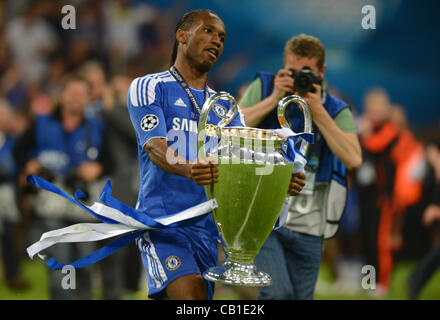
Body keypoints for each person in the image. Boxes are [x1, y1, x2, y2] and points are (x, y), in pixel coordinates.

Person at [126, 9, 306, 300]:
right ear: (182, 36)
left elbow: (246, 161)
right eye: (208, 31)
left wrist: (280, 179)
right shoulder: (149, 86)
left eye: (222, 37)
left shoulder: (224, 107)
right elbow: (154, 145)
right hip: (164, 225)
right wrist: (187, 168)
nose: (217, 41)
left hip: (209, 231)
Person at [239, 34, 362, 300]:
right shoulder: (264, 86)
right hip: (265, 217)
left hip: (311, 225)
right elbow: (231, 129)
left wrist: (318, 110)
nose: (297, 80)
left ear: (321, 71)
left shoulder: (335, 108)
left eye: (305, 73)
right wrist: (274, 99)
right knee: (276, 294)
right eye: (292, 72)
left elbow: (353, 158)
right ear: (283, 66)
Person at [13, 74, 114, 299]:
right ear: (62, 95)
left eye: (82, 94)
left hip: (84, 207)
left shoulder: (97, 128)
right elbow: (18, 150)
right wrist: (28, 165)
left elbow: (110, 162)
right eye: (72, 93)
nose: (77, 98)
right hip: (51, 206)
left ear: (88, 98)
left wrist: (97, 168)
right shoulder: (41, 123)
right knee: (62, 265)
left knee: (85, 266)